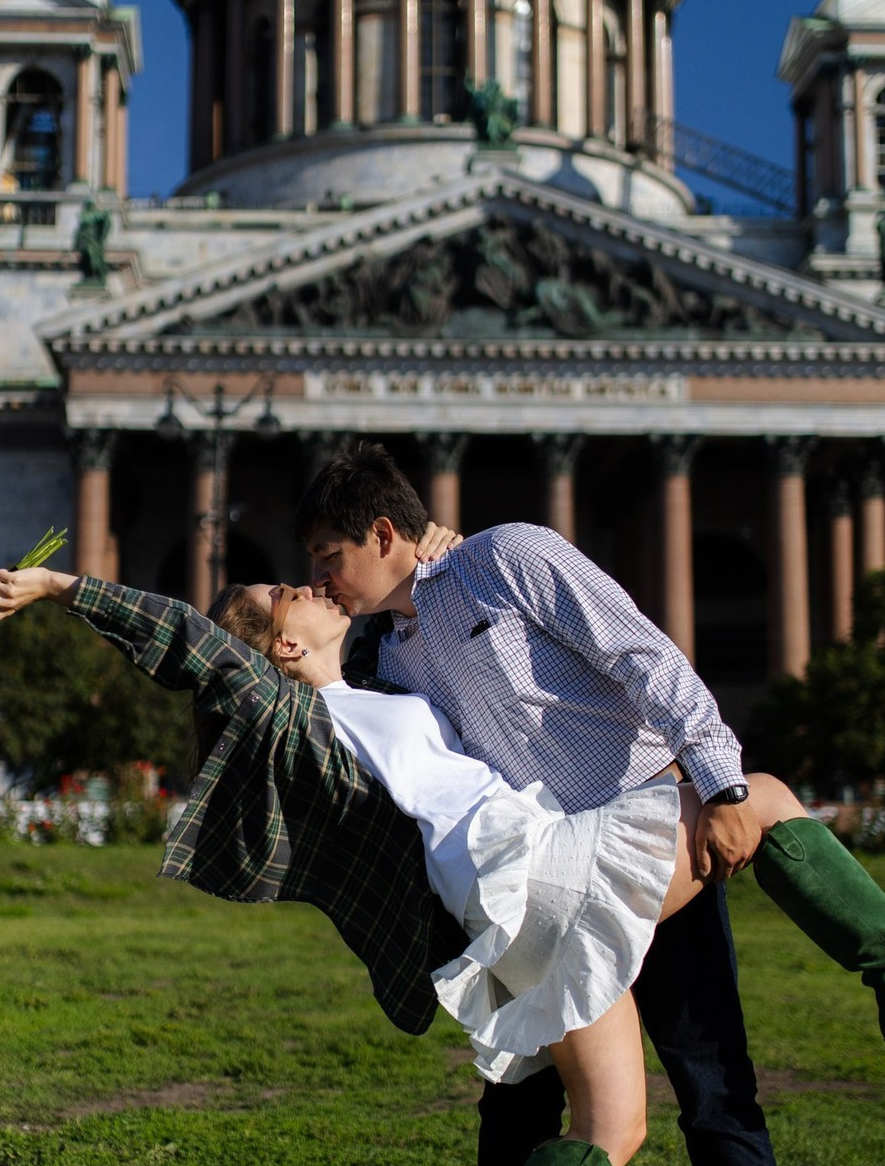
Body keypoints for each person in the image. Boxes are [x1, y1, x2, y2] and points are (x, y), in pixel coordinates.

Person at [0, 565, 885, 1166]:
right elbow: (194, 642)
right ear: (276, 650)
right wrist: (65, 588)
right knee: (762, 798)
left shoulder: (372, 686)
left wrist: (445, 561)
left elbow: (431, 638)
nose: (310, 583)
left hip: (510, 909)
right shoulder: (296, 714)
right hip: (530, 869)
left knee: (613, 1129)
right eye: (288, 590)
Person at [296, 444, 770, 1166]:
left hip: (647, 837)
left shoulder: (508, 557)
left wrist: (719, 782)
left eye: (330, 556)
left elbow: (641, 654)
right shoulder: (380, 663)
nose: (319, 578)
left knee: (711, 1079)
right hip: (541, 890)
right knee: (522, 1108)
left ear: (385, 534)